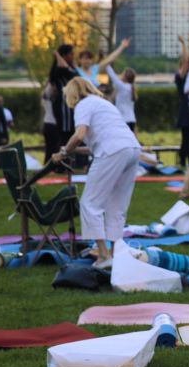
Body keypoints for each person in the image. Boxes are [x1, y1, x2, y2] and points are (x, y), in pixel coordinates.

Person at [53, 77, 141, 269]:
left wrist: (63, 153)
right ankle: (117, 252)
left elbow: (80, 134)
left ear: (72, 94)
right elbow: (97, 139)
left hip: (113, 150)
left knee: (90, 203)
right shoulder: (103, 103)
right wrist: (69, 149)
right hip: (132, 149)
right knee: (117, 204)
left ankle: (103, 255)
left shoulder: (83, 105)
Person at [99, 38, 137, 132]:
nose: (120, 75)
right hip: (132, 119)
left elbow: (110, 72)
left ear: (125, 77)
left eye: (122, 73)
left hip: (124, 120)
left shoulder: (122, 86)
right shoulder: (131, 88)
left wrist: (104, 59)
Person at [49, 45, 79, 148]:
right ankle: (62, 159)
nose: (73, 56)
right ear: (64, 56)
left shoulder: (71, 68)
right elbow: (63, 66)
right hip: (63, 106)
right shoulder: (60, 69)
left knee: (73, 132)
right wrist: (57, 54)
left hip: (71, 106)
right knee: (65, 135)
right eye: (71, 54)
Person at [174, 34, 189, 167]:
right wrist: (185, 44)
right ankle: (183, 161)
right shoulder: (180, 77)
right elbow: (187, 60)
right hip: (185, 111)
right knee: (186, 139)